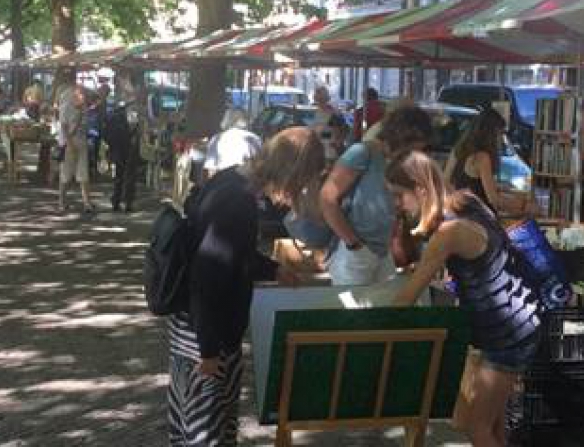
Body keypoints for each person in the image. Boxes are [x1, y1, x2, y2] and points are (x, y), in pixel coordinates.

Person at [166, 127, 315, 446]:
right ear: (291, 172)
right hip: (206, 333)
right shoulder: (238, 200)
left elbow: (230, 254)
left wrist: (274, 270)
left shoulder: (231, 180)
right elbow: (208, 273)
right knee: (205, 433)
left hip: (196, 326)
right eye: (302, 182)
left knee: (198, 429)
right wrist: (208, 348)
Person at [389, 151, 540, 447]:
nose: (397, 204)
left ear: (420, 190)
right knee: (493, 429)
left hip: (507, 332)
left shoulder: (448, 231)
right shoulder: (467, 201)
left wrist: (373, 321)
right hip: (515, 319)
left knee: (476, 429)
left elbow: (406, 298)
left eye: (399, 195)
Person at [320, 105, 434, 286]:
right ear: (404, 137)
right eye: (415, 146)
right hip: (355, 254)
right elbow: (327, 199)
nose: (416, 152)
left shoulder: (395, 162)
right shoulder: (362, 153)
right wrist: (354, 244)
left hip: (381, 252)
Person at [443, 108, 529, 215]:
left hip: (459, 215)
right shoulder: (482, 158)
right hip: (478, 218)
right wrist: (524, 205)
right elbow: (494, 199)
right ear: (490, 134)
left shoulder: (457, 151)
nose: (500, 140)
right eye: (499, 134)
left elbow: (446, 182)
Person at [58, 84, 94, 214]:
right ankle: (62, 201)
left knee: (83, 173)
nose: (82, 96)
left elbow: (84, 126)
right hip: (68, 143)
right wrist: (69, 144)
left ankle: (87, 202)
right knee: (66, 174)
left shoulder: (83, 109)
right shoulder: (66, 107)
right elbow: (64, 127)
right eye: (80, 94)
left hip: (81, 142)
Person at [202, 108, 262, 179]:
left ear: (226, 120)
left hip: (222, 180)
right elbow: (258, 166)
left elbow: (211, 168)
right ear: (245, 121)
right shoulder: (255, 138)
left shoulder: (217, 138)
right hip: (245, 180)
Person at [104, 100, 141, 212]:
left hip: (117, 148)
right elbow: (132, 128)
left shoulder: (117, 113)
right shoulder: (133, 112)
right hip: (128, 147)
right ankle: (128, 203)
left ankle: (116, 201)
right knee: (129, 175)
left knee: (119, 175)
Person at [310, 85, 347, 163]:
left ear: (325, 99)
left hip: (330, 152)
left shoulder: (333, 113)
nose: (319, 102)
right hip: (319, 150)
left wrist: (319, 135)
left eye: (320, 99)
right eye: (317, 99)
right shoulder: (318, 112)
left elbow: (337, 133)